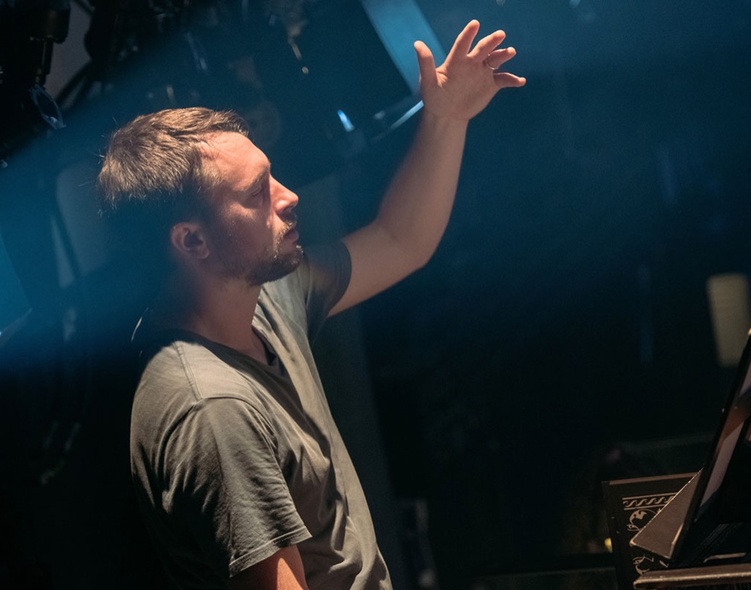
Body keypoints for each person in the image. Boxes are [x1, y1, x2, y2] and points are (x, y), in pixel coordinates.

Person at [97, 20, 525, 590]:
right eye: (255, 195)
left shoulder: (266, 296)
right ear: (192, 242)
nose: (289, 196)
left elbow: (401, 240)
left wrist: (445, 117)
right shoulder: (212, 409)